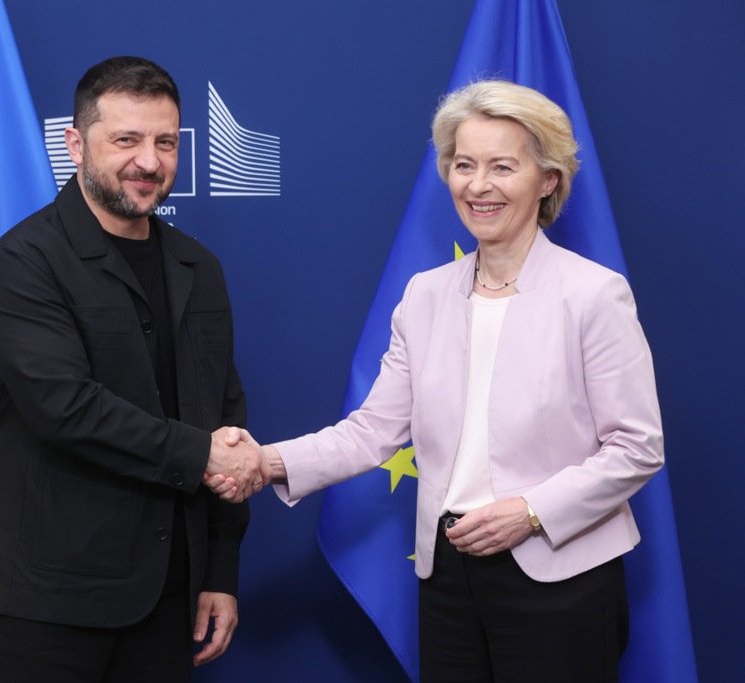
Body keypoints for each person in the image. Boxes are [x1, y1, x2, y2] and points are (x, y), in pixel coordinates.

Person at [213, 80, 663, 682]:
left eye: (502, 166)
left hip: (563, 574)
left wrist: (530, 512)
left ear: (548, 179)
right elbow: (371, 431)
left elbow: (637, 447)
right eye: (464, 164)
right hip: (448, 576)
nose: (478, 185)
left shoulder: (593, 294)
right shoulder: (424, 296)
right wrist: (264, 462)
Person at [0, 56, 269, 682]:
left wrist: (219, 569)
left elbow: (224, 415)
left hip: (169, 599)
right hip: (45, 603)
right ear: (76, 144)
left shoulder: (198, 267)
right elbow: (65, 408)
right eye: (126, 140)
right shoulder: (25, 260)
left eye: (166, 142)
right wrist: (204, 455)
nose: (149, 162)